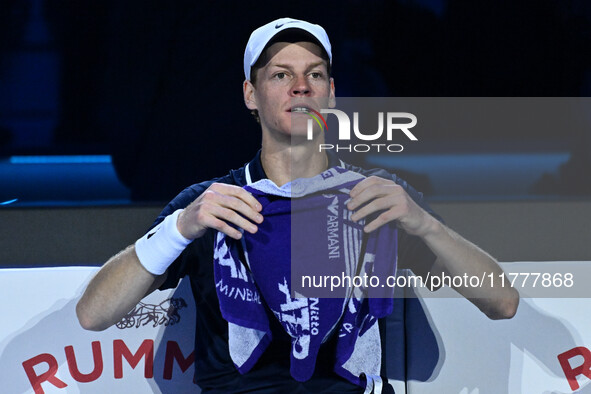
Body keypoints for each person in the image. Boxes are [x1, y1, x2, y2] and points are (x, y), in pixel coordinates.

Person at [76, 17, 519, 393]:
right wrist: (180, 228)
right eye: (281, 75)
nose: (301, 87)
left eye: (316, 74)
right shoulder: (210, 205)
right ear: (251, 94)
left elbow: (502, 302)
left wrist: (424, 225)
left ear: (330, 93)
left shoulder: (376, 197)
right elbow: (94, 314)